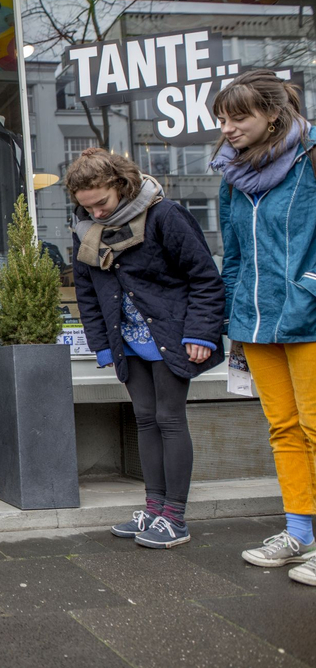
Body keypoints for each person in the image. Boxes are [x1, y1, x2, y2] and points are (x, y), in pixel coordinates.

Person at [67, 148, 225, 548]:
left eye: (102, 203)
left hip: (173, 338)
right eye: (88, 208)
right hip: (128, 342)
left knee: (170, 419)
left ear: (120, 185)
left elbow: (204, 277)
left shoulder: (164, 215)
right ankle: (154, 509)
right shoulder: (85, 230)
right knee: (145, 418)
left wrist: (202, 335)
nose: (97, 214)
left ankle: (175, 517)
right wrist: (102, 346)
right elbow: (86, 293)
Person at [210, 70, 316, 585]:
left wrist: (308, 287)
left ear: (272, 114)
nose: (227, 128)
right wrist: (233, 313)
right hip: (255, 322)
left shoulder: (310, 160)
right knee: (284, 429)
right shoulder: (232, 176)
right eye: (221, 118)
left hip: (309, 316)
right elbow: (232, 254)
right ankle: (300, 532)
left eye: (238, 117)